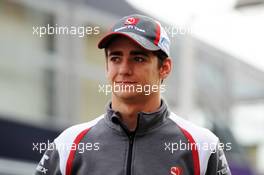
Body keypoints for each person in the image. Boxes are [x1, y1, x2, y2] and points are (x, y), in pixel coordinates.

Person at [35, 14, 231, 175]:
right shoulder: (68, 144)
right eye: (115, 58)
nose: (124, 69)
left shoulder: (203, 146)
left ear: (165, 68)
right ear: (106, 66)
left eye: (138, 58)